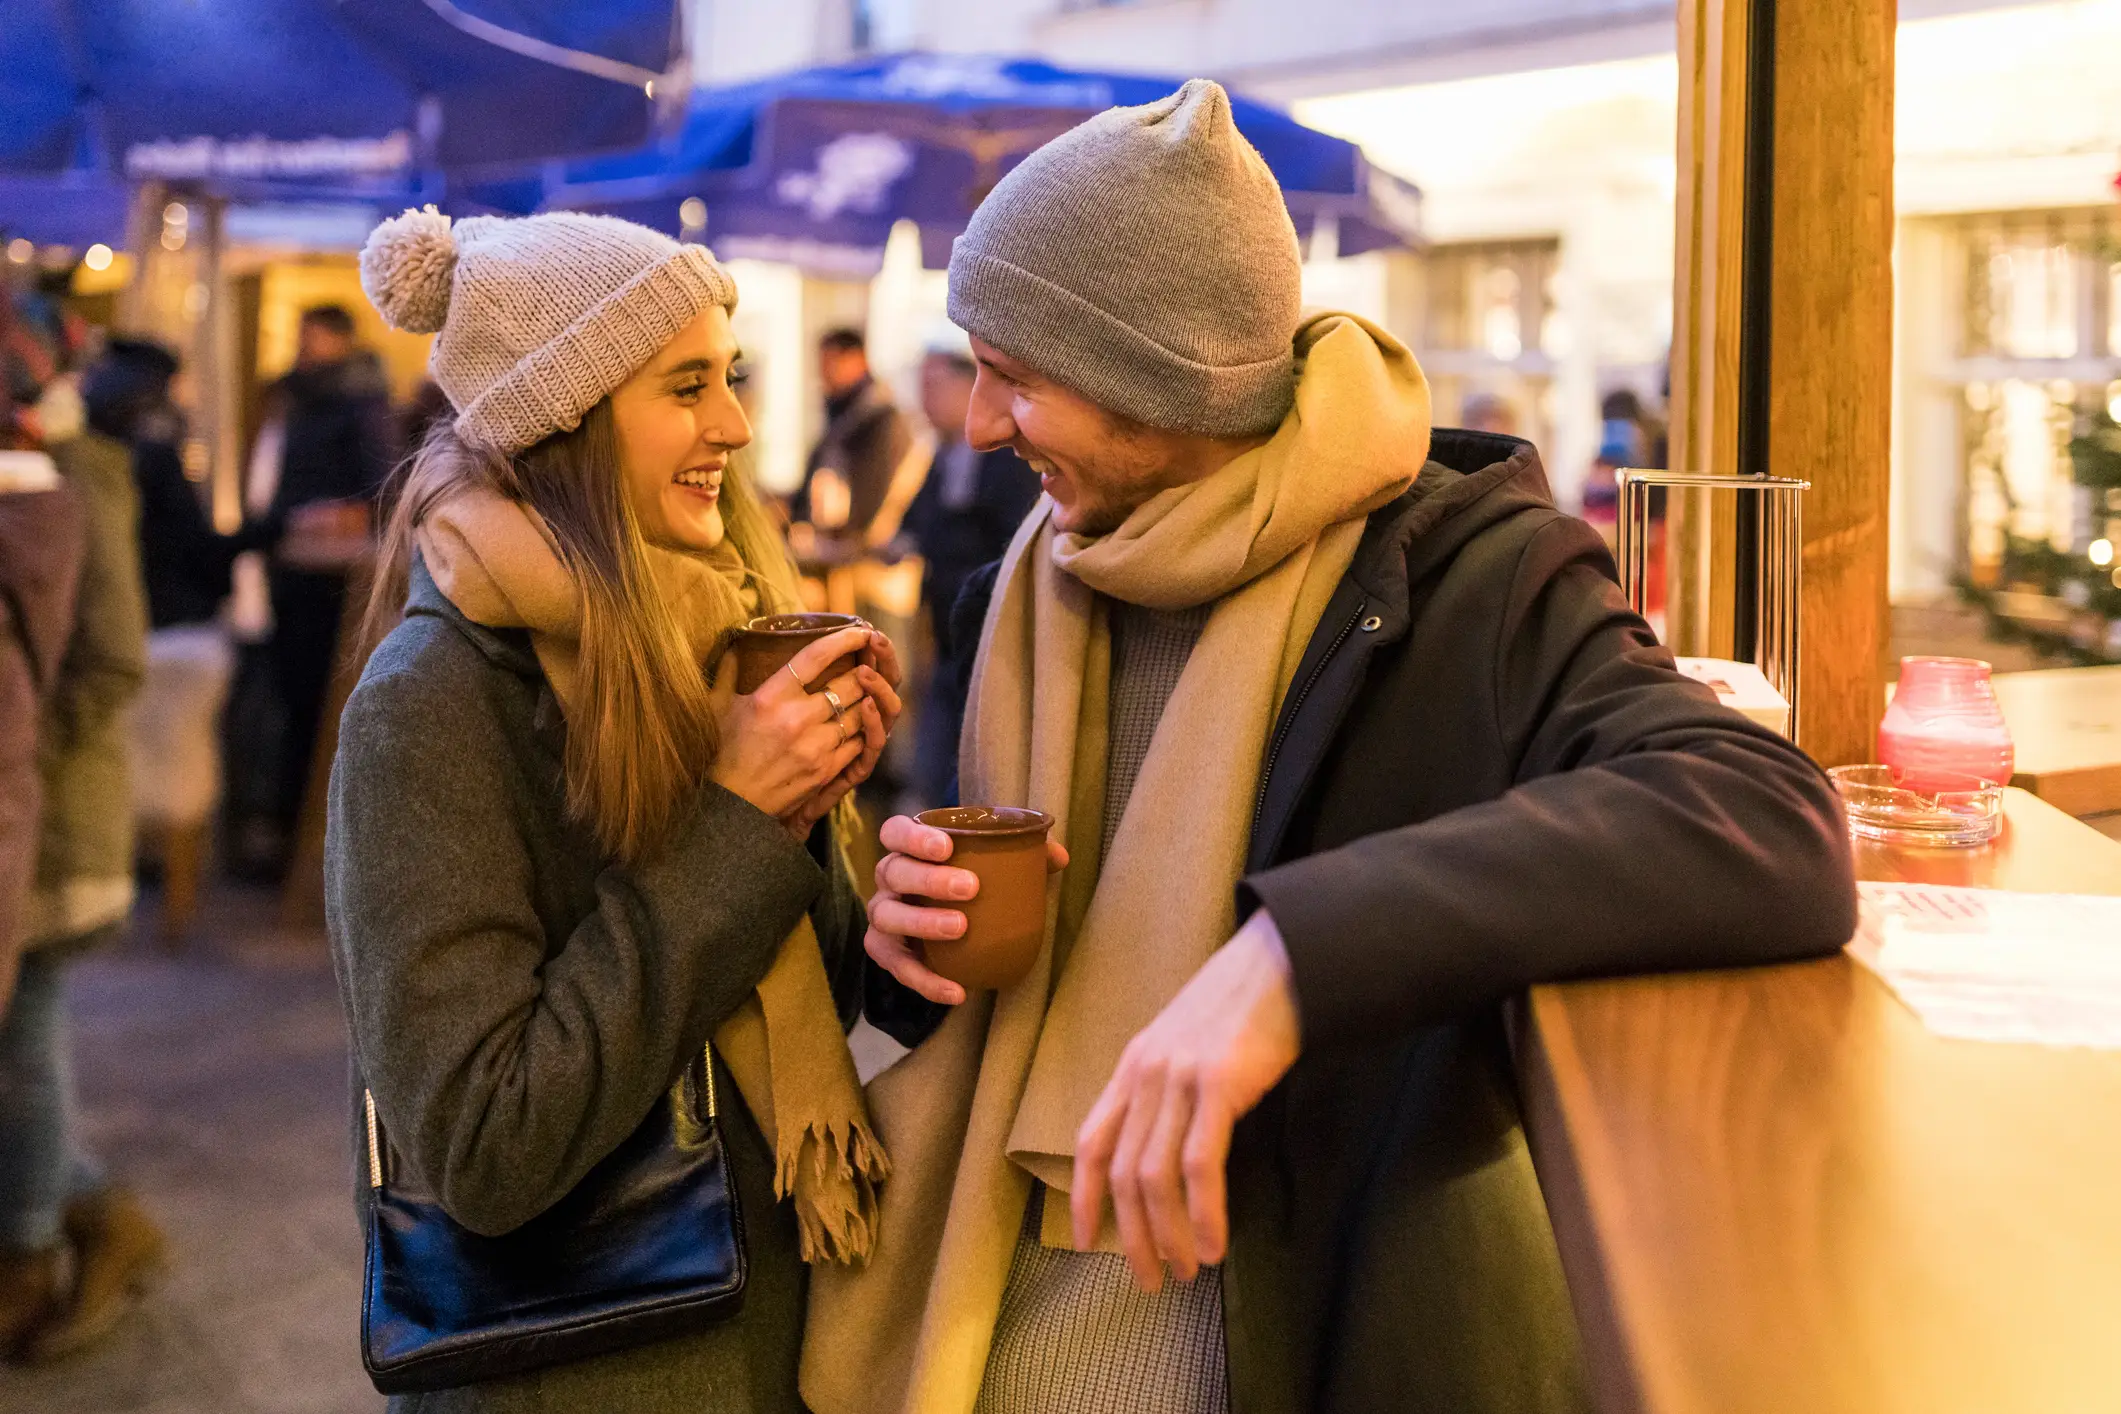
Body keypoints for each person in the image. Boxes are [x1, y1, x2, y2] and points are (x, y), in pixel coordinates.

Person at [811, 80, 1857, 1414]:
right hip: (967, 1312)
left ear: (1160, 375)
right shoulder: (1024, 583)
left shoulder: (1477, 572)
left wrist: (1291, 955)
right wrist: (907, 956)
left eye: (1018, 378)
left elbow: (1767, 817)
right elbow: (952, 1027)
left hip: (1292, 1325)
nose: (973, 425)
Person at [331, 207, 905, 1412]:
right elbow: (483, 1146)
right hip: (590, 1368)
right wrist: (740, 818)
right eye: (686, 386)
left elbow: (814, 1004)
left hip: (776, 1334)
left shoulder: (707, 633)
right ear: (567, 420)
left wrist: (824, 822)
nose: (737, 426)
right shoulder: (430, 704)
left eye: (728, 378)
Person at [0, 299, 166, 1366]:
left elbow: (112, 660)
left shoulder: (77, 472)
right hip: (32, 802)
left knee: (24, 1039)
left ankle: (36, 1248)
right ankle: (100, 1217)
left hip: (58, 816)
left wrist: (23, 743)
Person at [257, 303, 395, 863]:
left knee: (314, 711)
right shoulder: (298, 397)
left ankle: (302, 845)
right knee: (291, 705)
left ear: (339, 341)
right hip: (292, 573)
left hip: (328, 584)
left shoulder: (360, 406)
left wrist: (320, 517)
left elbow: (379, 491)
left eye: (311, 337)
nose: (303, 347)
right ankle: (289, 835)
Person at [898, 345, 1040, 807]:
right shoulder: (940, 457)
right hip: (942, 630)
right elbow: (914, 524)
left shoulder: (1009, 458)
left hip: (992, 632)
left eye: (935, 386)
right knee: (934, 761)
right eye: (921, 387)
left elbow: (1012, 538)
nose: (924, 399)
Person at [82, 338, 263, 629]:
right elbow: (194, 545)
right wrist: (274, 528)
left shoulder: (86, 456)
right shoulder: (154, 458)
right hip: (164, 622)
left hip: (117, 618)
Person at [792, 327, 915, 551]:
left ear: (857, 360)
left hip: (855, 545)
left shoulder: (878, 416)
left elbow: (873, 487)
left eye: (830, 363)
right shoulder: (843, 412)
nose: (823, 373)